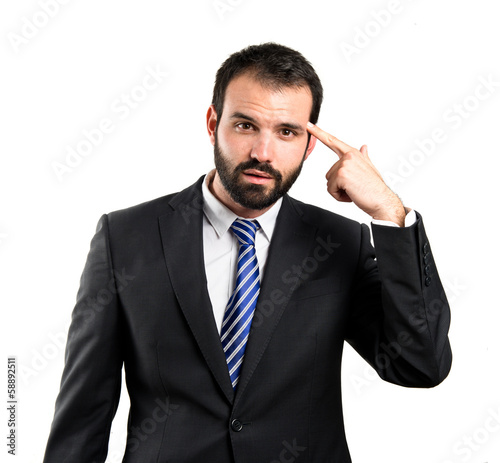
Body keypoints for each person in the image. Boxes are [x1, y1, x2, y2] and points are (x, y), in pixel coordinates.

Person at [43, 42, 452, 463]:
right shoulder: (126, 238)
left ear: (309, 145)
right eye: (245, 126)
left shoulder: (339, 243)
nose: (263, 153)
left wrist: (390, 212)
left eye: (287, 132)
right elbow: (83, 416)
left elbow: (420, 365)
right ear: (212, 122)